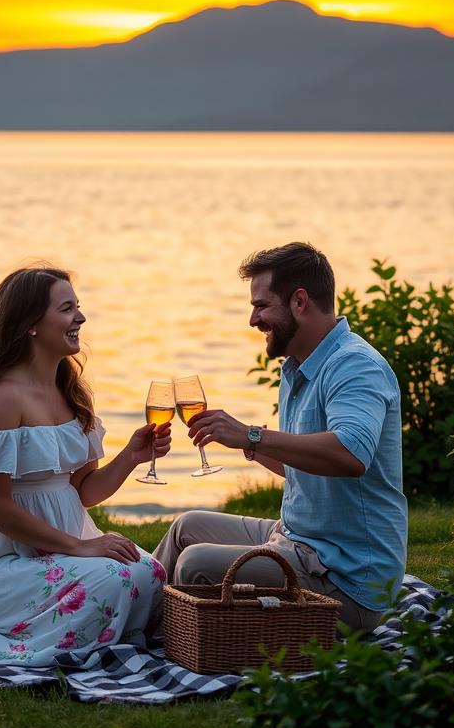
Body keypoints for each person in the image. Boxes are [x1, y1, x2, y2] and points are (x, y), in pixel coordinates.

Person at [152, 243, 407, 632]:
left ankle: (179, 636)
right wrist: (246, 444)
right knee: (187, 526)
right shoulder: (298, 368)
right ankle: (133, 615)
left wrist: (251, 433)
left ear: (299, 301)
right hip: (294, 540)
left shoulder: (355, 366)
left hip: (345, 580)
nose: (253, 319)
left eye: (261, 306)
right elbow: (302, 466)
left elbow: (349, 455)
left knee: (197, 564)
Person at [0, 266, 168, 666]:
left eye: (78, 307)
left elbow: (84, 490)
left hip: (63, 550)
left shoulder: (70, 392)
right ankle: (39, 633)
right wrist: (81, 546)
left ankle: (89, 630)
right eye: (67, 309)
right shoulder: (3, 400)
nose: (80, 318)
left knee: (149, 571)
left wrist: (131, 456)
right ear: (31, 324)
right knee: (114, 579)